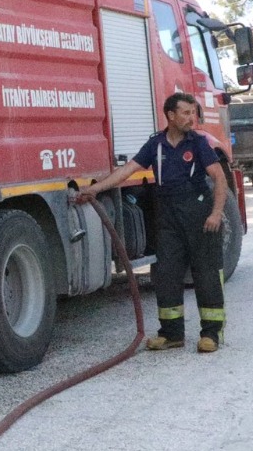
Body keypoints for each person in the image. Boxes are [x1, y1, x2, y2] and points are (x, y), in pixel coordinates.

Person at [75, 92, 228, 353]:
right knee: (166, 274)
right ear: (170, 115)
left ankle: (211, 334)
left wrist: (215, 214)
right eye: (186, 113)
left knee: (206, 275)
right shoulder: (156, 145)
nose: (192, 118)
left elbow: (219, 177)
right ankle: (171, 334)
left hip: (199, 215)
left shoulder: (199, 143)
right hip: (168, 217)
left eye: (193, 112)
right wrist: (96, 189)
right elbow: (128, 170)